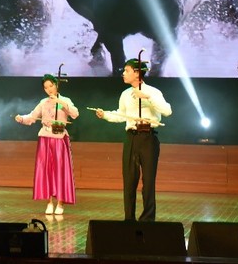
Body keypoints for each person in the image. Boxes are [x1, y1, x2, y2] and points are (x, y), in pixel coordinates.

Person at [95, 57, 171, 221]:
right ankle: (129, 219)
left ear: (137, 73)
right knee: (129, 180)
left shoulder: (153, 91)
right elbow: (121, 115)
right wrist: (105, 115)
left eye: (127, 70)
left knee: (148, 181)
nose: (123, 73)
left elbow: (167, 111)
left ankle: (147, 219)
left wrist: (147, 97)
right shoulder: (125, 94)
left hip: (148, 138)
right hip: (131, 138)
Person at [15, 73, 79, 215]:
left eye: (51, 86)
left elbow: (75, 114)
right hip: (45, 138)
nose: (49, 89)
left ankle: (60, 203)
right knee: (46, 171)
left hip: (59, 138)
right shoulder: (43, 102)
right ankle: (49, 202)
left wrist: (60, 102)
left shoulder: (65, 100)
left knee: (60, 171)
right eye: (46, 87)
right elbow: (32, 116)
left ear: (56, 85)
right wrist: (21, 119)